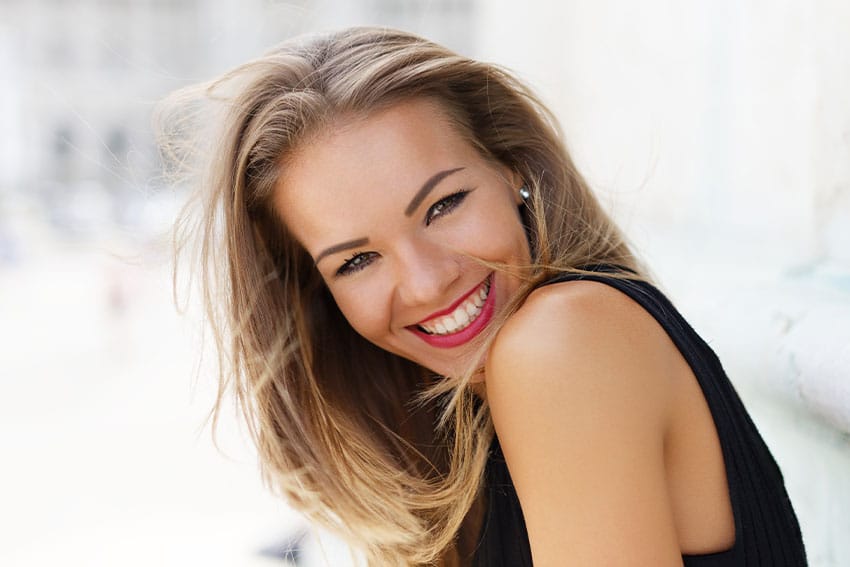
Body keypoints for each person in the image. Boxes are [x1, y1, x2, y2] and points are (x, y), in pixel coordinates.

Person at [159, 27, 807, 566]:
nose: (425, 280)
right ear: (317, 290)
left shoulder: (561, 342)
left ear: (512, 168)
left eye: (443, 205)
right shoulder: (475, 410)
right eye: (357, 259)